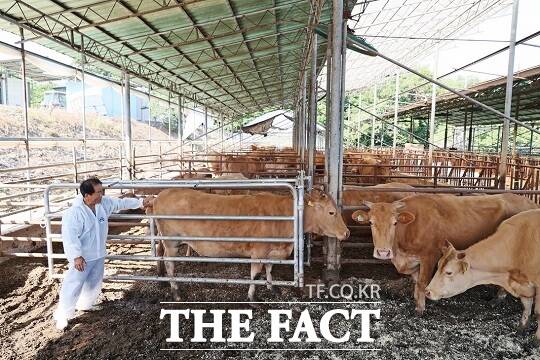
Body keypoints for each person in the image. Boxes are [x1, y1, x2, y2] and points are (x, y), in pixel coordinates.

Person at [53, 177, 152, 330]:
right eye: (98, 192)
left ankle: (86, 305)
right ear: (87, 195)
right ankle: (63, 315)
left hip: (98, 253)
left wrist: (140, 202)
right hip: (83, 257)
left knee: (94, 281)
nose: (102, 195)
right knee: (73, 284)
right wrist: (76, 256)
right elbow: (70, 236)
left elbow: (120, 203)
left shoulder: (102, 204)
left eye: (102, 191)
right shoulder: (74, 213)